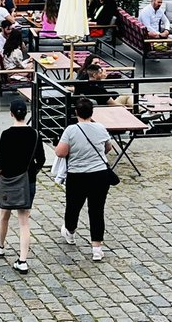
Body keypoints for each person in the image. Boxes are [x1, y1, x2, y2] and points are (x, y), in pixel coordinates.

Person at [54, 97, 116, 262]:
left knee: (73, 206)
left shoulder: (71, 130)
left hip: (77, 175)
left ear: (76, 113)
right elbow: (108, 147)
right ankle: (97, 248)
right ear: (92, 112)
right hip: (100, 175)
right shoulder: (101, 128)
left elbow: (60, 152)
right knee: (97, 210)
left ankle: (70, 231)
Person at [0, 98, 47, 273]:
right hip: (27, 180)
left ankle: (0, 244)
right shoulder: (34, 134)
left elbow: (1, 160)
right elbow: (42, 159)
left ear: (11, 114)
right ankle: (22, 260)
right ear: (26, 113)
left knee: (4, 214)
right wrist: (32, 173)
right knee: (24, 221)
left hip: (8, 180)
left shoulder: (6, 135)